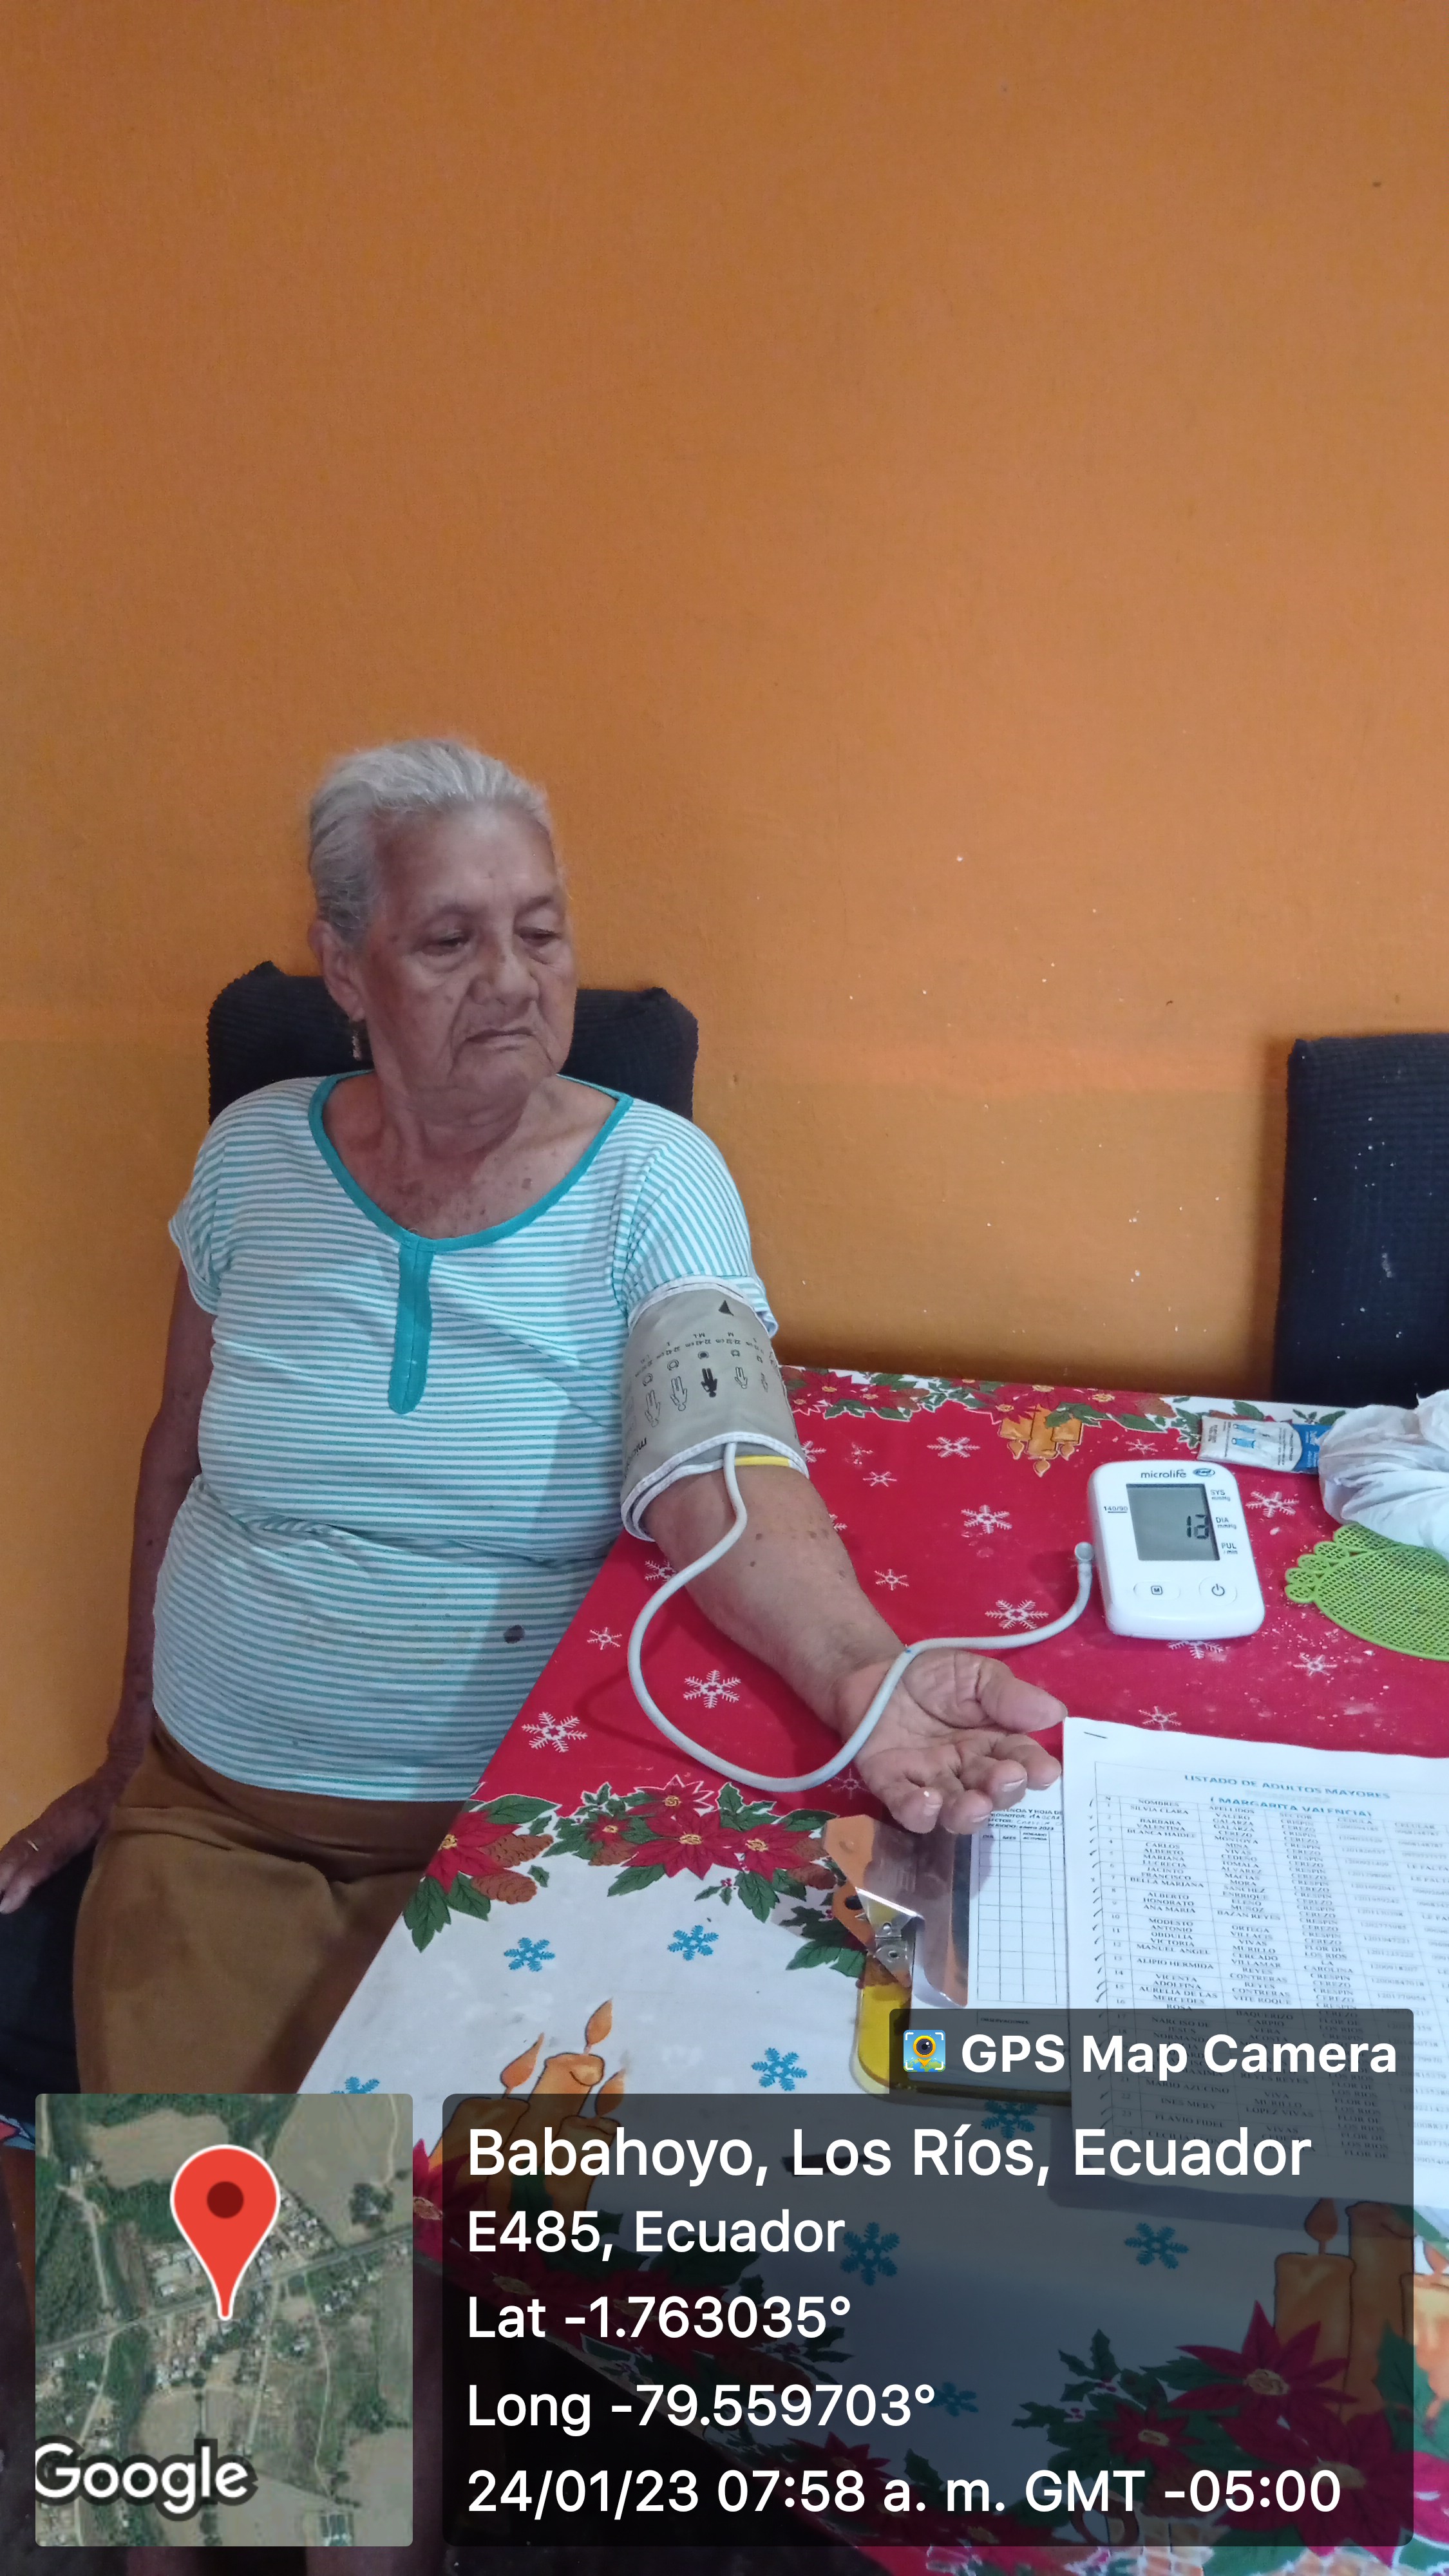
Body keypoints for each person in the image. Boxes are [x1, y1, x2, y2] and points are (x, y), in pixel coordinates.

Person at [0, 737, 1063, 2575]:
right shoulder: (250, 1161)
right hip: (218, 1821)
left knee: (350, 2384)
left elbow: (721, 1461)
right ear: (343, 966)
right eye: (449, 940)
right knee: (184, 2375)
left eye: (543, 932)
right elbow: (177, 1457)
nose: (510, 981)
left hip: (495, 1858)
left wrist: (866, 1673)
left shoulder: (657, 1179)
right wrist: (124, 1753)